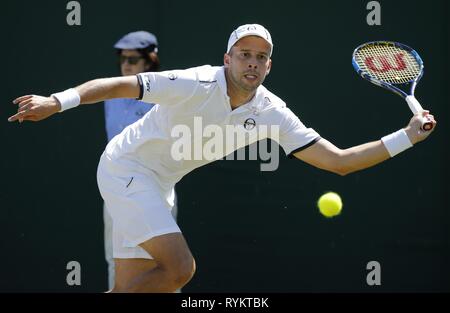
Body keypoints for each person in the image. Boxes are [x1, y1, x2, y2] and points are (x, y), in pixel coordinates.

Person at [9, 24, 437, 293]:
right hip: (125, 168)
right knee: (179, 269)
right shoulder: (194, 82)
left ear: (269, 66)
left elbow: (338, 161)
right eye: (245, 55)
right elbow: (118, 85)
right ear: (228, 59)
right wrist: (56, 101)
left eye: (261, 57)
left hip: (160, 185)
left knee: (137, 287)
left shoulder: (272, 111)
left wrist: (407, 137)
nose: (253, 63)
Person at [102, 31, 178, 290]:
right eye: (123, 58)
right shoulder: (111, 94)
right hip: (117, 190)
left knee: (167, 263)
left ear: (150, 61)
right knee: (116, 261)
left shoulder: (163, 96)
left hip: (154, 190)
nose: (126, 64)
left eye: (133, 60)